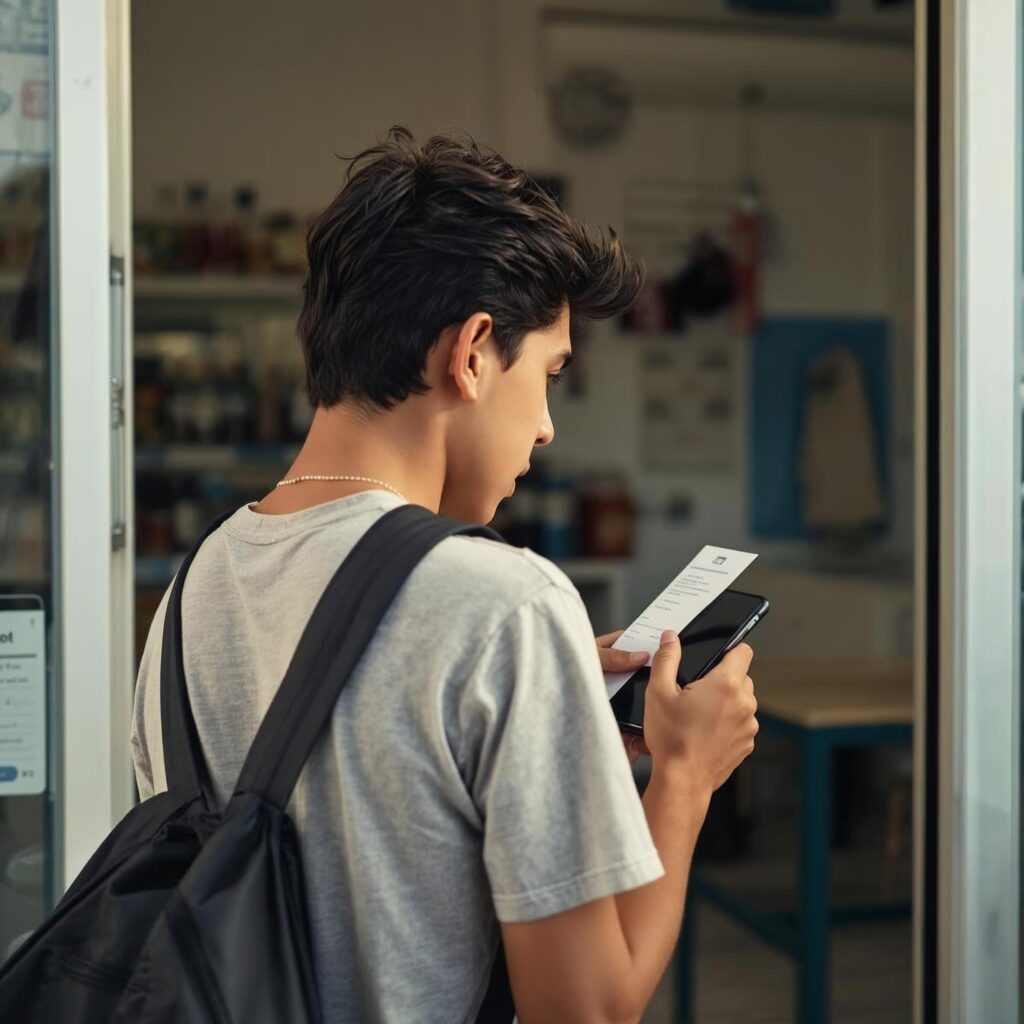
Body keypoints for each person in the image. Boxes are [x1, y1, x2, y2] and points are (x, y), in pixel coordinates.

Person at [130, 126, 758, 1024]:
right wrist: (686, 778)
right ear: (470, 354)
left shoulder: (193, 591)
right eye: (549, 374)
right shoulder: (507, 606)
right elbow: (588, 1012)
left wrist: (550, 697)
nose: (545, 427)